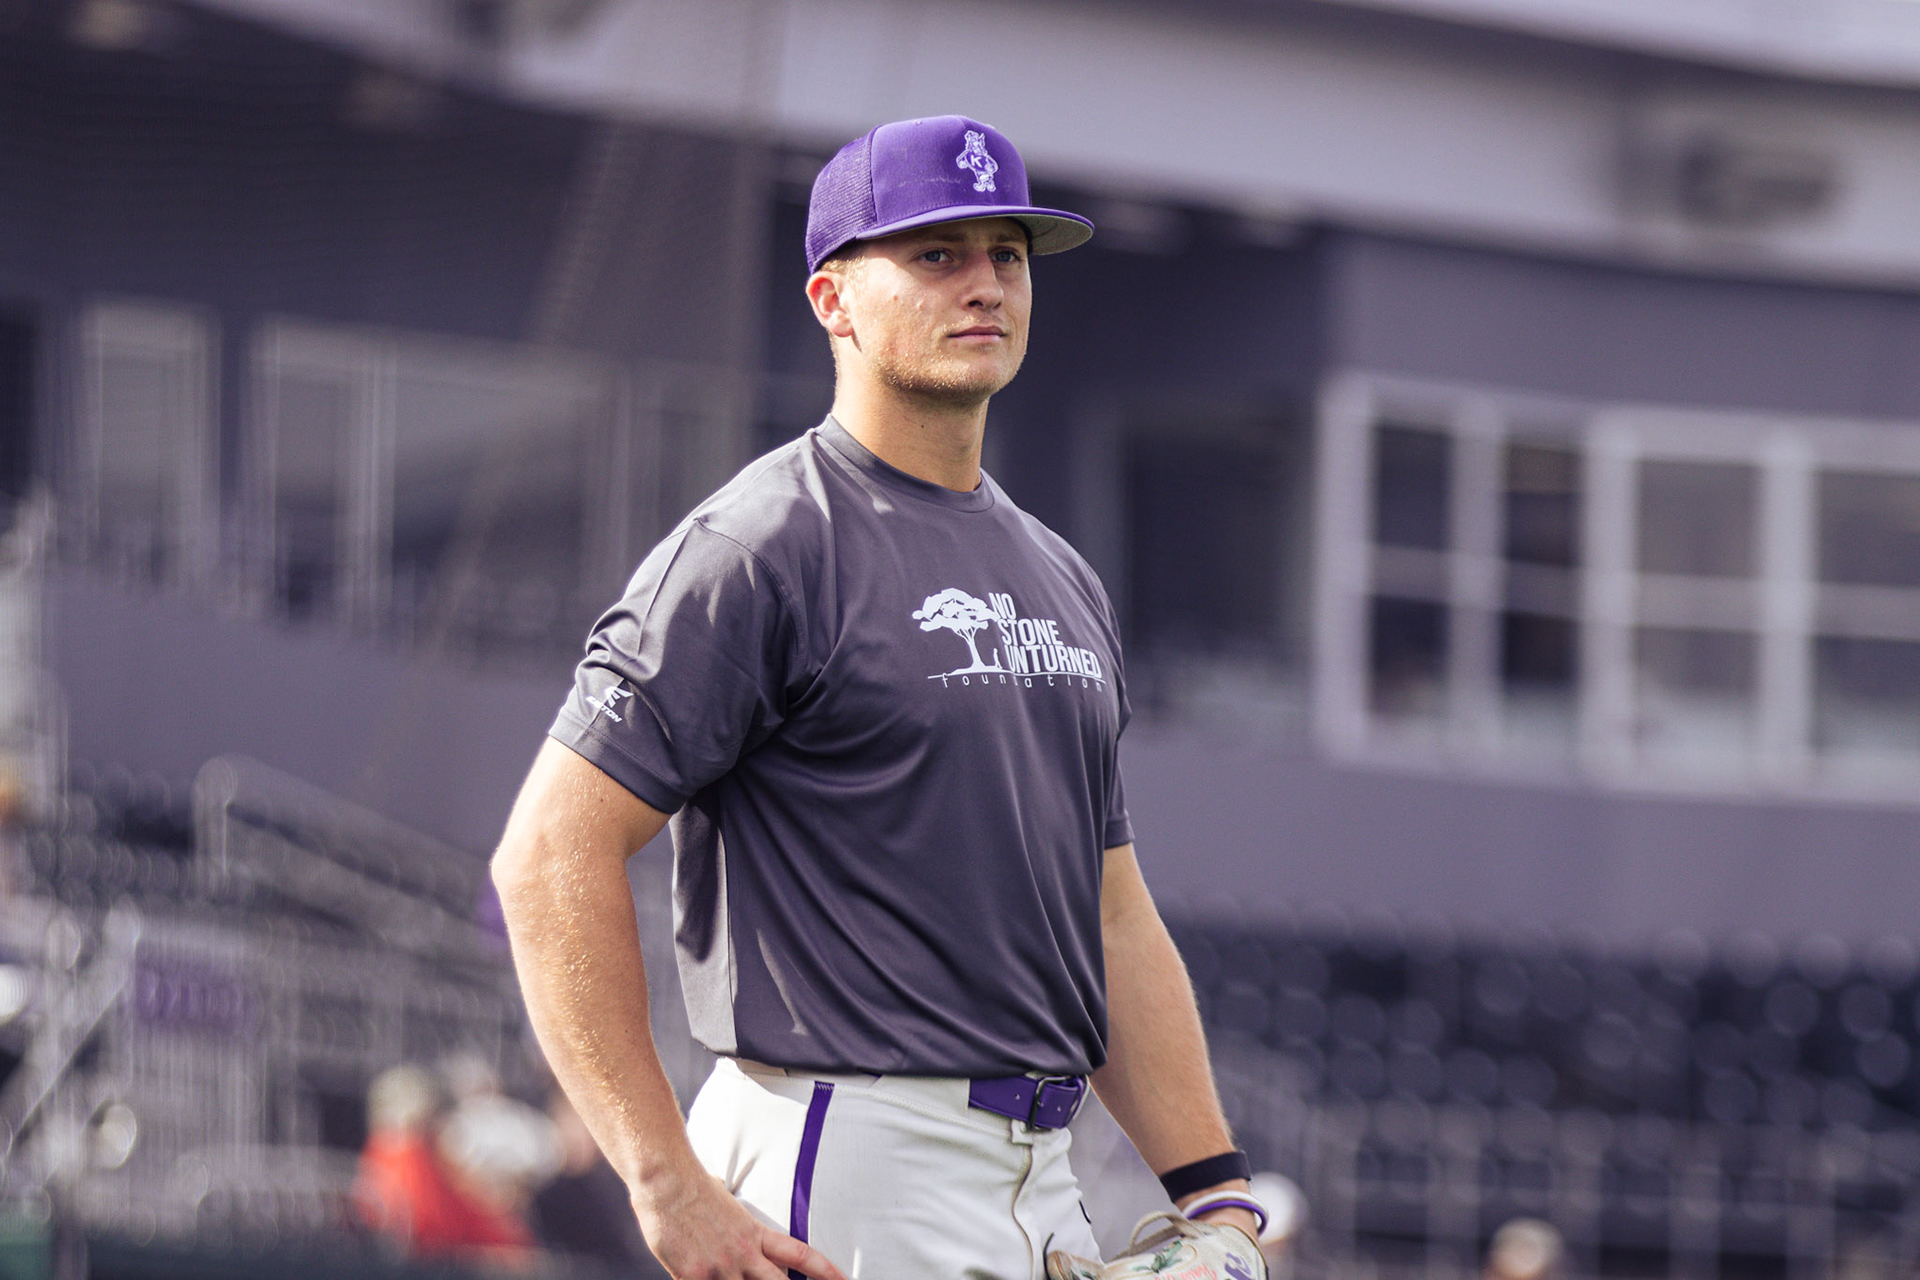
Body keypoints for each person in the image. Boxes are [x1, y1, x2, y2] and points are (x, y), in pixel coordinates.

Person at [491, 115, 1264, 1279]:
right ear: (833, 300)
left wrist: (1217, 1192)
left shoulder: (1061, 575)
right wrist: (662, 1180)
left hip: (1042, 1175)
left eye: (1005, 253)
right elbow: (548, 853)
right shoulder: (762, 543)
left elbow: (1108, 914)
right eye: (936, 254)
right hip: (839, 1157)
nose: (985, 284)